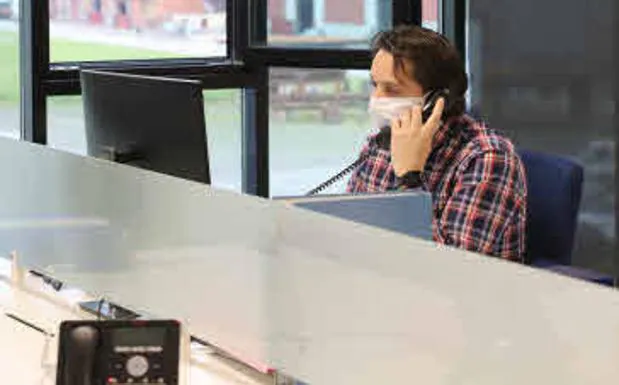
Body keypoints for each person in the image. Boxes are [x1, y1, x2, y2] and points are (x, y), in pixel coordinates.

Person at [347, 25, 527, 262]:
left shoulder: (487, 158)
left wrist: (409, 178)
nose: (376, 99)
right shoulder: (380, 144)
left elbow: (449, 269)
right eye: (375, 85)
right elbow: (349, 228)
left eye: (391, 89)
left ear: (435, 100)